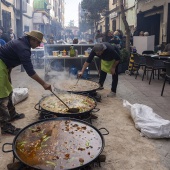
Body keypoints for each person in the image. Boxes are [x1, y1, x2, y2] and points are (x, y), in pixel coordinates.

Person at [0, 30, 52, 135]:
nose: (38, 45)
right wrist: (44, 84)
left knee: (9, 90)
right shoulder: (23, 48)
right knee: (2, 98)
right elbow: (30, 71)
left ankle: (12, 114)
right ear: (32, 39)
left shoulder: (23, 42)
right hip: (1, 66)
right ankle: (5, 127)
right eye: (38, 43)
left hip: (5, 66)